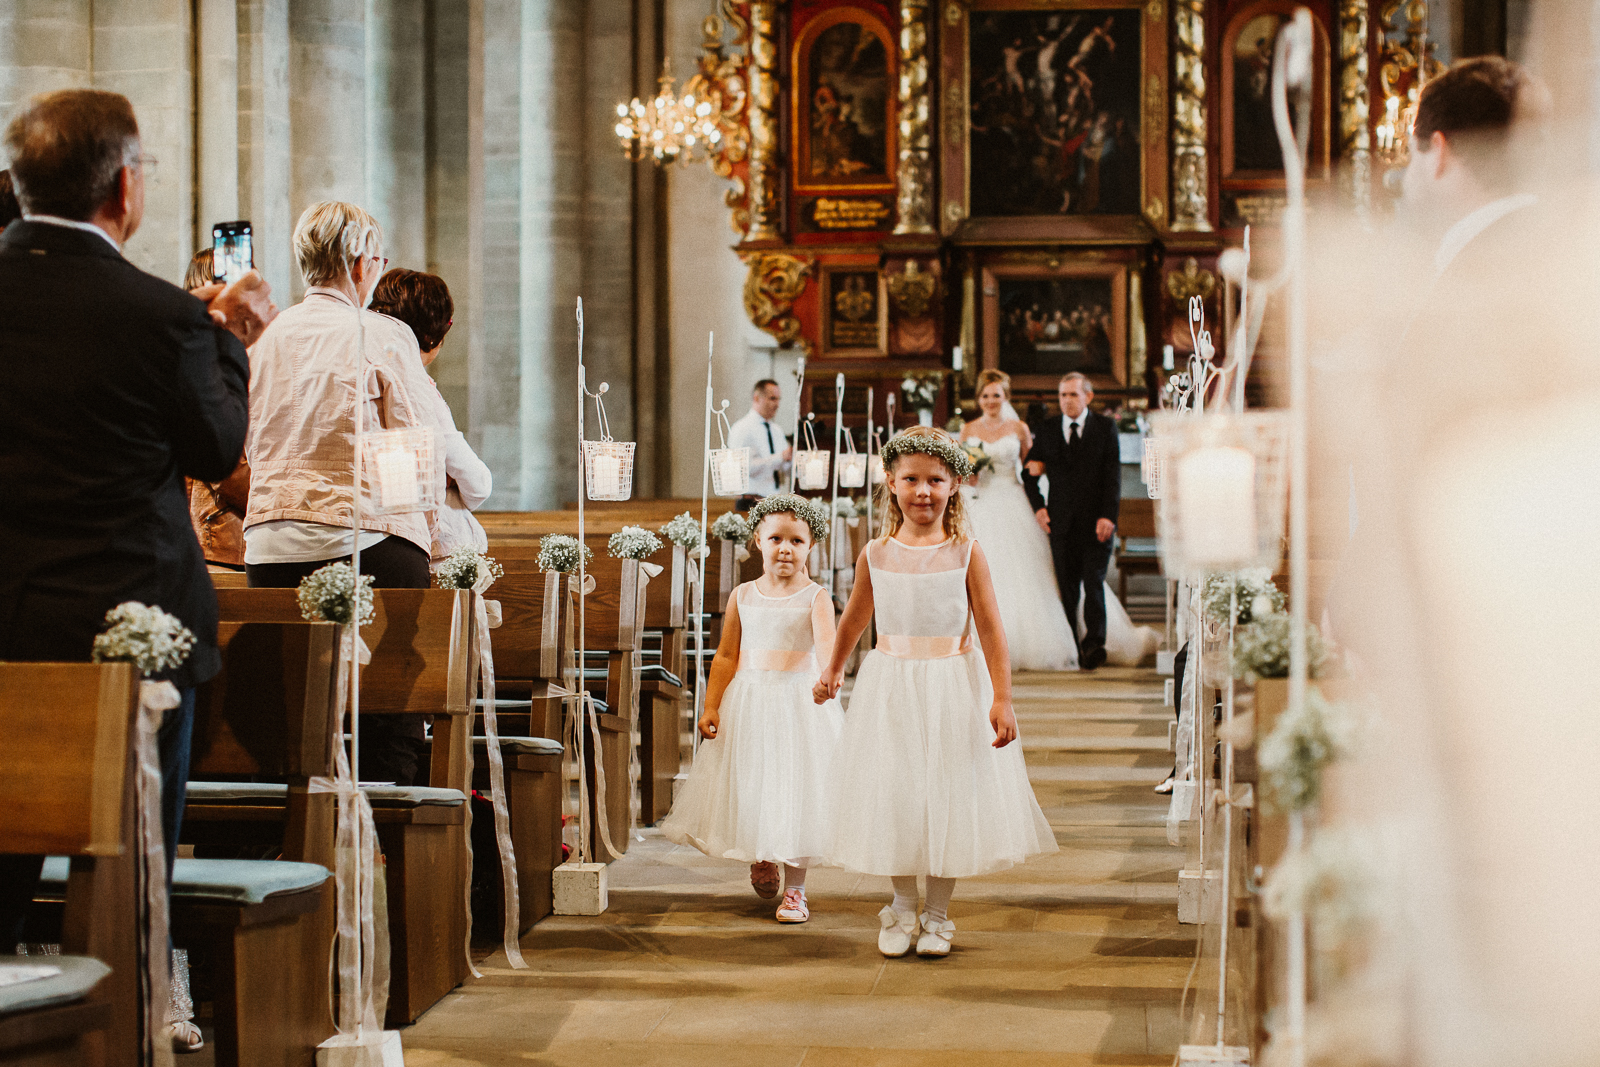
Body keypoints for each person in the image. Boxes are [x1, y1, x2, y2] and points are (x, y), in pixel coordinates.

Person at [0, 89, 274, 953]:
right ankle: (124, 1013)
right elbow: (217, 441)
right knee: (131, 864)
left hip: (7, 627)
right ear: (125, 188)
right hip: (130, 628)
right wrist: (232, 341)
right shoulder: (163, 318)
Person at [815, 428, 1056, 959]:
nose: (923, 491)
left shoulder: (967, 552)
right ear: (891, 484)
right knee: (897, 791)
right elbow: (856, 615)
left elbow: (991, 628)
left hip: (954, 681)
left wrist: (1002, 697)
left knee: (949, 793)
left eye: (935, 481)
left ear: (954, 485)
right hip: (891, 682)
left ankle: (939, 913)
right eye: (911, 480)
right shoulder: (876, 553)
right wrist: (833, 669)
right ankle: (901, 905)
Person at [243, 200, 440, 786]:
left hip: (272, 546)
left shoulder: (266, 337)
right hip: (366, 538)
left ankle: (292, 848)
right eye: (376, 261)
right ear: (360, 265)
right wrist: (424, 535)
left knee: (289, 715)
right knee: (388, 714)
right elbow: (410, 437)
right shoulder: (381, 333)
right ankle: (384, 851)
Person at [661, 494, 844, 923]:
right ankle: (763, 854)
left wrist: (826, 678)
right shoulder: (743, 595)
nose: (785, 548)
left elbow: (826, 646)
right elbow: (726, 656)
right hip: (750, 700)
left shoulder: (816, 597)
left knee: (799, 789)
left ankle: (796, 890)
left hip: (799, 701)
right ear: (758, 540)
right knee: (755, 780)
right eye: (776, 538)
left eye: (797, 541)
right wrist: (711, 704)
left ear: (811, 546)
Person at [369, 268, 492, 566]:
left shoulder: (362, 373)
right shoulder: (420, 389)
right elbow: (477, 484)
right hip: (428, 546)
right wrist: (442, 476)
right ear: (435, 336)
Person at [959, 370, 1079, 671]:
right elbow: (962, 473)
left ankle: (1026, 639)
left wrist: (1041, 503)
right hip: (980, 500)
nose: (990, 401)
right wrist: (970, 474)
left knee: (1022, 568)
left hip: (1013, 497)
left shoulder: (1019, 427)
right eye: (985, 396)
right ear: (979, 399)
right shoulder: (968, 429)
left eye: (996, 395)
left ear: (1005, 397)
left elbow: (1030, 469)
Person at [1022, 373, 1120, 670]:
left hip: (1096, 523)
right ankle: (1072, 646)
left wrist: (1108, 516)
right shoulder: (1048, 429)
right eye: (1063, 395)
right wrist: (1039, 508)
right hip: (1060, 524)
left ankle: (1094, 645)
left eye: (1073, 395)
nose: (1067, 401)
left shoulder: (1105, 428)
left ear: (1087, 397)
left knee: (1093, 583)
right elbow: (1028, 474)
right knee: (1067, 589)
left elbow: (1112, 476)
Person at [179, 247, 251, 572]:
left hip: (231, 535)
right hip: (219, 536)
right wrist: (273, 504)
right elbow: (224, 458)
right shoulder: (207, 353)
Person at [727, 379, 791, 496]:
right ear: (756, 398)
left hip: (773, 497)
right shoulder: (742, 428)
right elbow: (743, 468)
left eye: (778, 399)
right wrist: (779, 457)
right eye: (772, 398)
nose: (777, 405)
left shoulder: (776, 430)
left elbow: (785, 467)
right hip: (750, 498)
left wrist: (796, 459)